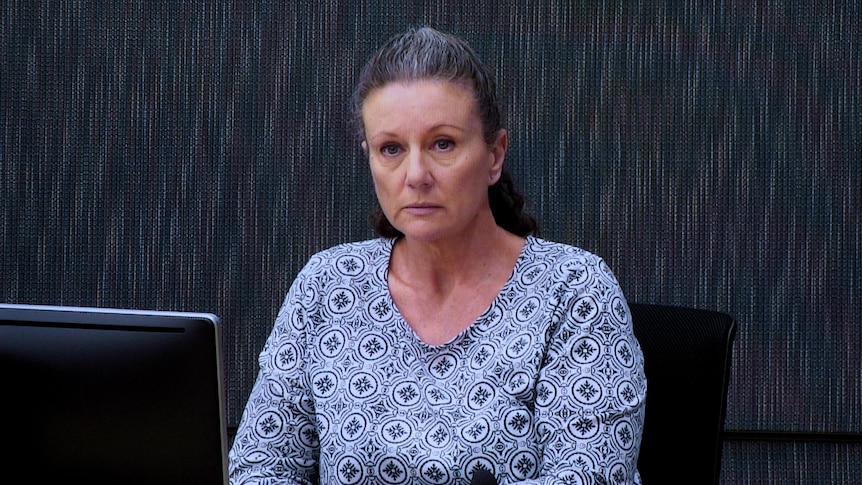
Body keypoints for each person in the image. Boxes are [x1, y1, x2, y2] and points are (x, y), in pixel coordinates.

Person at [229, 27, 646, 485]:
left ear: (494, 155)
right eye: (391, 149)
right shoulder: (328, 284)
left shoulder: (574, 289)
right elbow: (260, 466)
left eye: (442, 144)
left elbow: (589, 477)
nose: (416, 175)